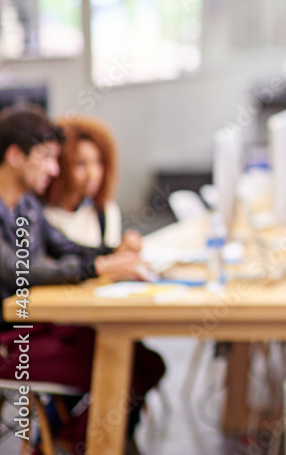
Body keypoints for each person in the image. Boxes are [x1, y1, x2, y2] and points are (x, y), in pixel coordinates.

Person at [0, 105, 164, 454]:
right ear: (15, 156)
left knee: (143, 360)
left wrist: (113, 253)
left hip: (41, 327)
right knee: (122, 366)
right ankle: (85, 444)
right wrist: (99, 268)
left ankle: (73, 440)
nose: (54, 170)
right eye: (46, 158)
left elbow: (67, 247)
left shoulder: (27, 206)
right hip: (11, 342)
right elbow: (18, 270)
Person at [42, 114, 140, 253]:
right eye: (80, 164)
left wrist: (121, 250)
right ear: (59, 165)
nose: (92, 174)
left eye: (99, 162)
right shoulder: (39, 216)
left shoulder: (105, 211)